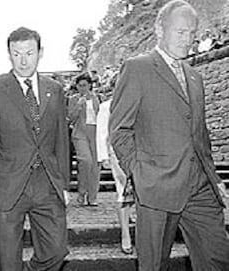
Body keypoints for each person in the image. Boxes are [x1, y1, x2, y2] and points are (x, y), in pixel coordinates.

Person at [109, 1, 229, 270]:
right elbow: (119, 131)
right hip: (155, 187)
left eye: (191, 33)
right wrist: (139, 172)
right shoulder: (137, 68)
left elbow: (199, 134)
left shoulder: (195, 77)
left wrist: (213, 176)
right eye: (180, 32)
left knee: (218, 258)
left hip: (199, 187)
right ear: (159, 29)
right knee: (154, 265)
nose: (187, 40)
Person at [0, 27, 70, 271]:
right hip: (6, 185)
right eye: (17, 54)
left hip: (46, 184)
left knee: (57, 251)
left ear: (40, 53)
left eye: (29, 53)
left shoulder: (54, 89)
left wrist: (64, 184)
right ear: (9, 54)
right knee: (7, 262)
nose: (23, 60)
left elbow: (61, 140)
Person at [96, 90, 134, 255]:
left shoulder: (137, 101)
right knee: (123, 191)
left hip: (142, 153)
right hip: (117, 154)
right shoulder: (106, 107)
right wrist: (103, 156)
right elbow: (102, 133)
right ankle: (125, 235)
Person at [68, 73, 100, 206]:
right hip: (80, 132)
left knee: (94, 165)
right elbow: (71, 118)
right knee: (85, 161)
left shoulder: (97, 98)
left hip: (95, 133)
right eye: (80, 85)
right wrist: (79, 105)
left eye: (85, 85)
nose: (82, 88)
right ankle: (82, 192)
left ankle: (92, 196)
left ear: (90, 85)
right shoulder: (73, 99)